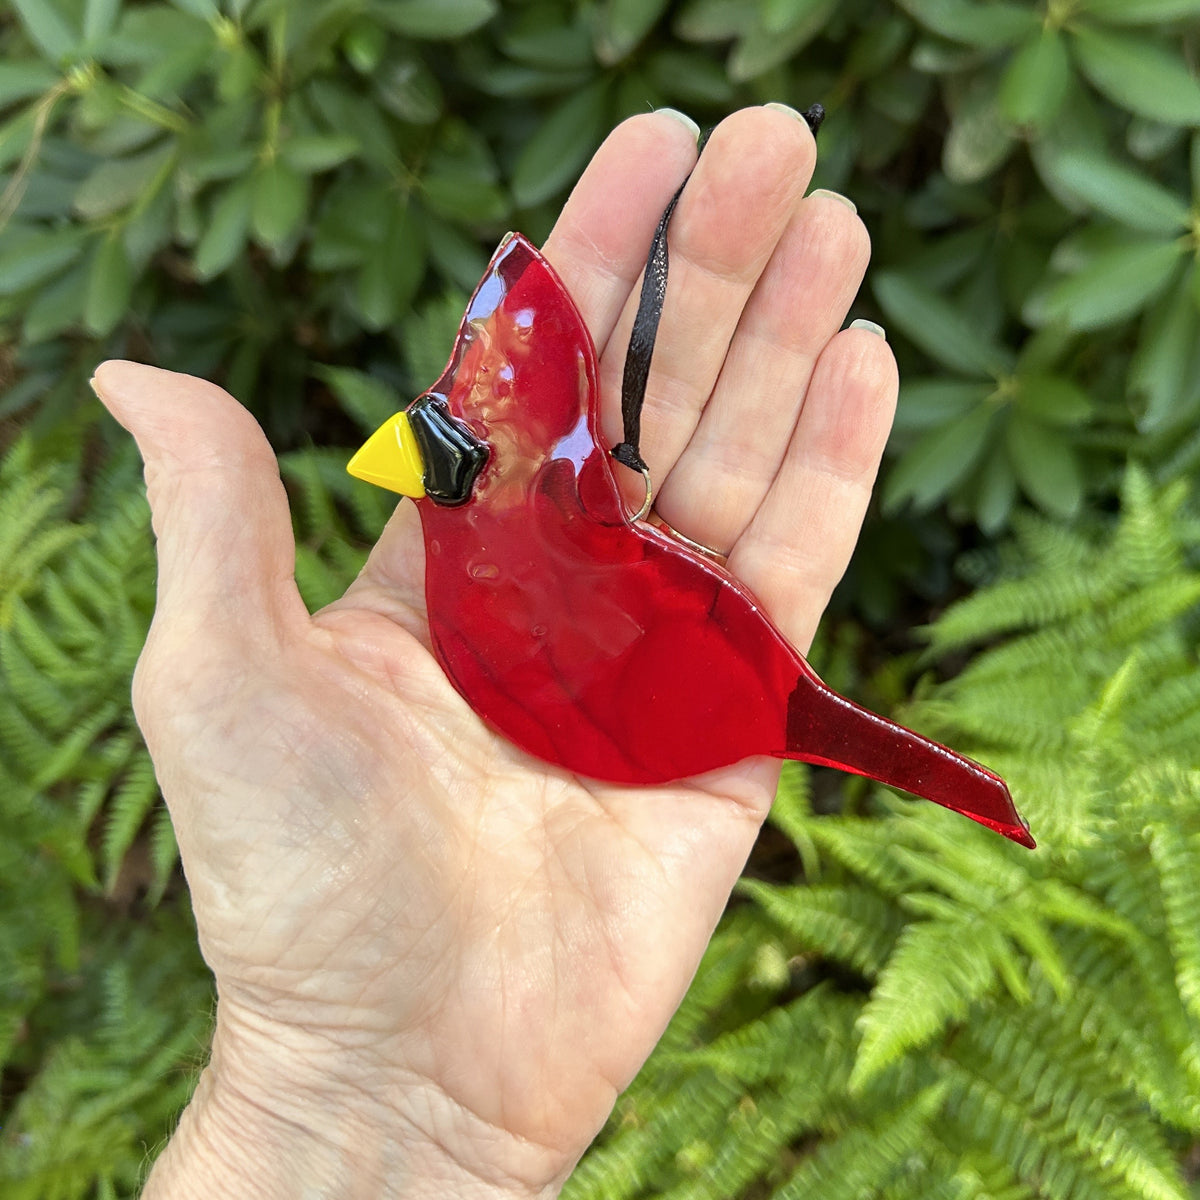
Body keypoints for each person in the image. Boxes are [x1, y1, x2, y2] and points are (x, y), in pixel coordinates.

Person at [91, 104, 896, 1198]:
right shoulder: (473, 580)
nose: (427, 451)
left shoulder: (585, 562)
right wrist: (337, 1085)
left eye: (464, 443)